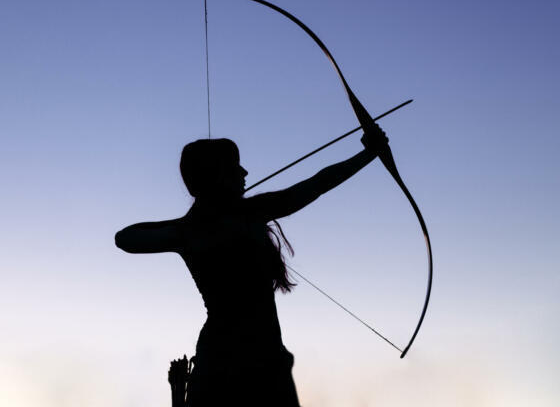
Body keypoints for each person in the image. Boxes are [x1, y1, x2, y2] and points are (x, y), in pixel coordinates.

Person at [115, 128, 388, 407]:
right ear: (217, 175)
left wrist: (369, 154)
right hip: (226, 366)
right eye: (235, 167)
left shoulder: (228, 218)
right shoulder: (199, 228)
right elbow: (124, 238)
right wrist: (197, 221)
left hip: (260, 360)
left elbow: (318, 184)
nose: (245, 173)